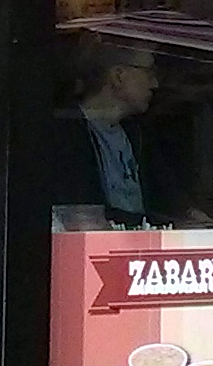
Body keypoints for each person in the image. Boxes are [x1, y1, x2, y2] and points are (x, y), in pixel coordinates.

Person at [42, 33, 163, 225]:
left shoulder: (138, 135)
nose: (155, 83)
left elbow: (168, 199)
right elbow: (80, 213)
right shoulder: (65, 136)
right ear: (118, 76)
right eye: (149, 72)